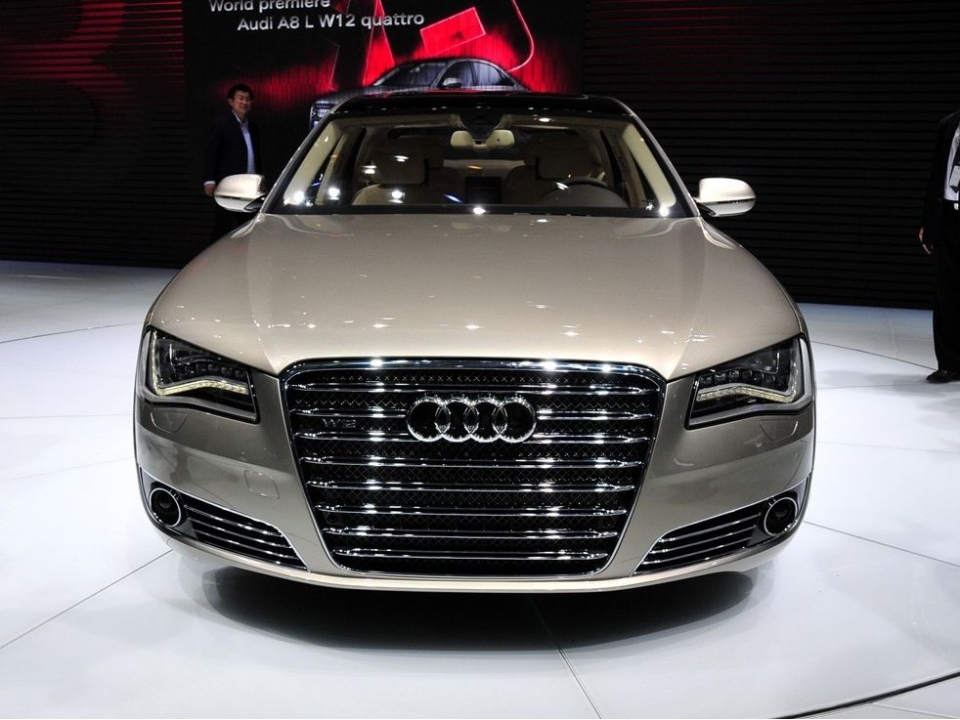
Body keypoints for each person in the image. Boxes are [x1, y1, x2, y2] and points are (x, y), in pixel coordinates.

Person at [919, 108, 960, 383]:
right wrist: (928, 222)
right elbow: (936, 174)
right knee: (946, 291)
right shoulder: (949, 124)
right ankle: (949, 363)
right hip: (949, 217)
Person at [203, 83, 262, 242]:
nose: (244, 102)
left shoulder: (253, 127)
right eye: (240, 98)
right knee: (223, 227)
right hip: (228, 186)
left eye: (248, 99)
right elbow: (211, 153)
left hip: (249, 187)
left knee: (247, 227)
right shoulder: (221, 124)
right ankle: (215, 257)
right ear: (231, 101)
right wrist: (209, 179)